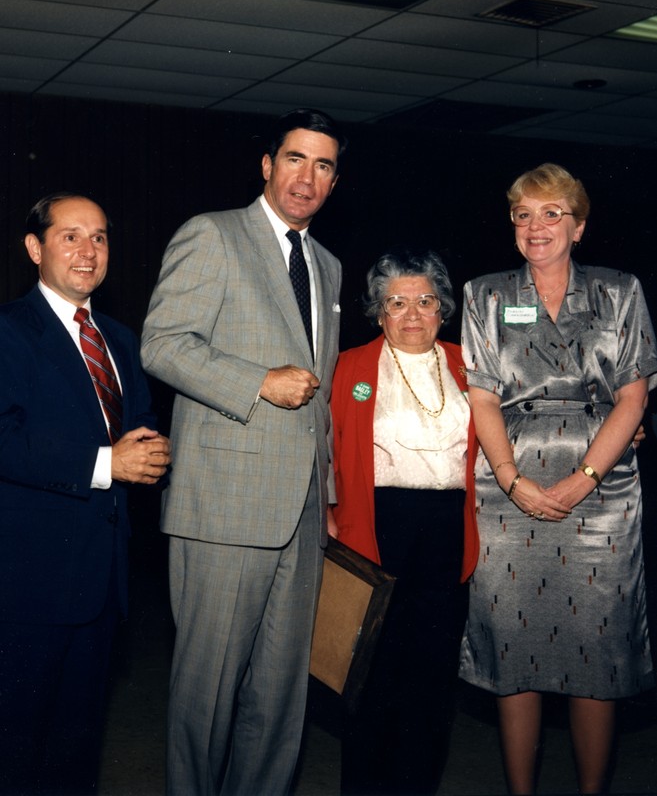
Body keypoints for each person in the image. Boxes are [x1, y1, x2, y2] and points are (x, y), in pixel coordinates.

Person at [140, 108, 347, 796]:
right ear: (266, 165)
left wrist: (329, 496)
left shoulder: (327, 265)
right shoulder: (212, 234)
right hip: (225, 510)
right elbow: (163, 345)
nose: (306, 177)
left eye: (322, 165)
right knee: (208, 695)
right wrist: (257, 383)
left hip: (301, 518)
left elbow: (319, 396)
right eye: (294, 159)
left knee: (282, 701)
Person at [459, 163, 657, 795]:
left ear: (579, 225)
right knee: (514, 647)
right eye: (522, 214)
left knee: (596, 650)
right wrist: (514, 480)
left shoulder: (620, 290)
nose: (535, 227)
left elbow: (632, 399)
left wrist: (583, 480)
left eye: (550, 214)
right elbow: (483, 398)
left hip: (604, 493)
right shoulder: (485, 294)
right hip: (506, 488)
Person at [0, 193, 171, 795]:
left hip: (102, 584)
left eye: (98, 237)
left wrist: (152, 455)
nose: (87, 250)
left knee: (77, 753)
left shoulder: (120, 339)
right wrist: (106, 463)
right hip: (28, 586)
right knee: (16, 751)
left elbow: (136, 431)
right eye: (70, 236)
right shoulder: (8, 331)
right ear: (34, 248)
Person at [329, 248, 479, 794]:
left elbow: (529, 423)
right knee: (371, 676)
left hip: (449, 531)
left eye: (425, 301)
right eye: (397, 303)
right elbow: (323, 448)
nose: (412, 315)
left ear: (444, 309)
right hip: (375, 529)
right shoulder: (349, 368)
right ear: (378, 310)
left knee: (433, 677)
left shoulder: (472, 364)